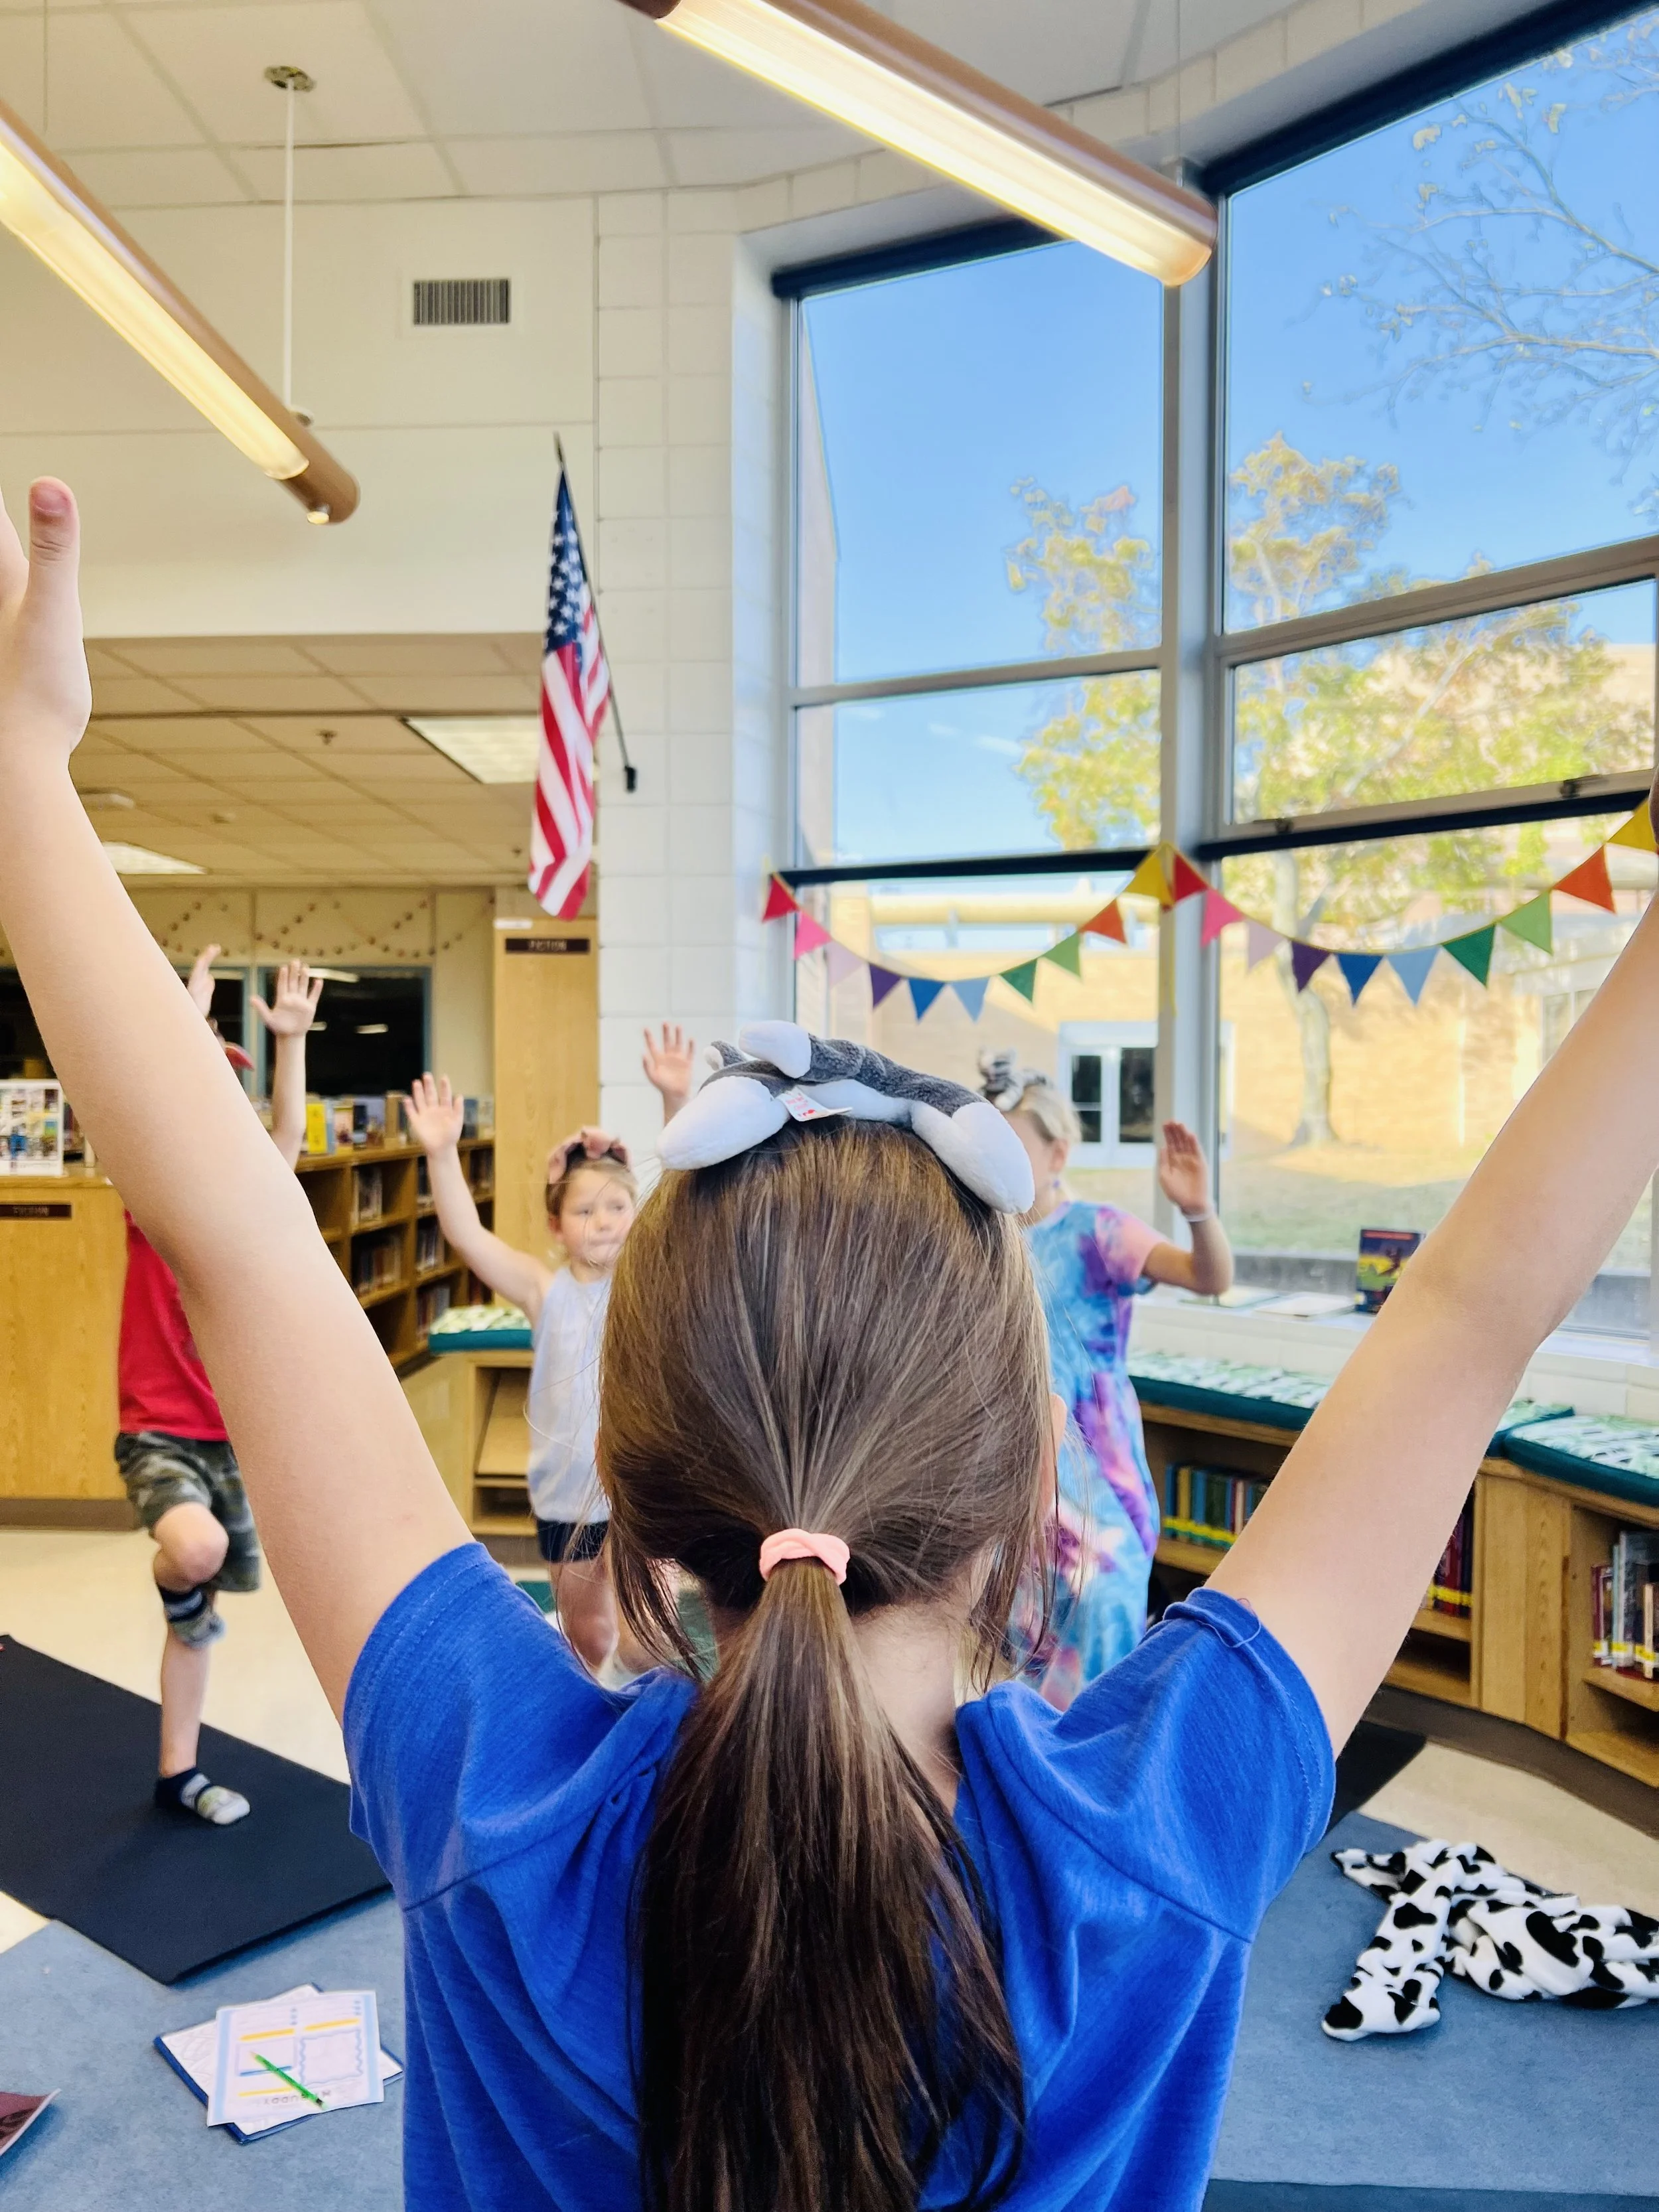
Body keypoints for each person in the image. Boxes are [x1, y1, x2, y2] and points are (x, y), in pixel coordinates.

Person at [7, 477, 1659, 2211]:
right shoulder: (1155, 1840)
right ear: (1032, 1478)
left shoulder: (494, 1803)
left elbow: (248, 1247)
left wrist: (25, 774)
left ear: (642, 1508)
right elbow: (1468, 1316)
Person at [116, 946, 322, 1825]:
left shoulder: (243, 1198)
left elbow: (283, 1139)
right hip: (158, 1431)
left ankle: (178, 1775)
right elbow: (142, 1105)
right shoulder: (150, 1193)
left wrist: (289, 1044)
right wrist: (177, 1026)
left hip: (226, 1435)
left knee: (196, 1617)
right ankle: (180, 1585)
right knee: (193, 1557)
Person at [981, 1054, 1234, 1704]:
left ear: (1057, 1152)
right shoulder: (982, 1238)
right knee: (1003, 1637)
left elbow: (1210, 1278)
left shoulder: (1098, 1231)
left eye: (1011, 1145)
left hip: (1097, 1481)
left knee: (1099, 1610)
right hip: (1008, 1473)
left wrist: (1199, 1213)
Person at [403, 1072, 640, 1677]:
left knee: (644, 1636)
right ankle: (588, 1722)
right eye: (585, 1209)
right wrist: (440, 1151)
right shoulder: (545, 1289)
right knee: (589, 1636)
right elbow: (466, 1235)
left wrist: (668, 1100)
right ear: (557, 1226)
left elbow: (686, 1213)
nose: (605, 1220)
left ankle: (646, 1732)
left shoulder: (645, 1285)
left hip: (634, 1489)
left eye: (618, 1205)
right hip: (566, 1494)